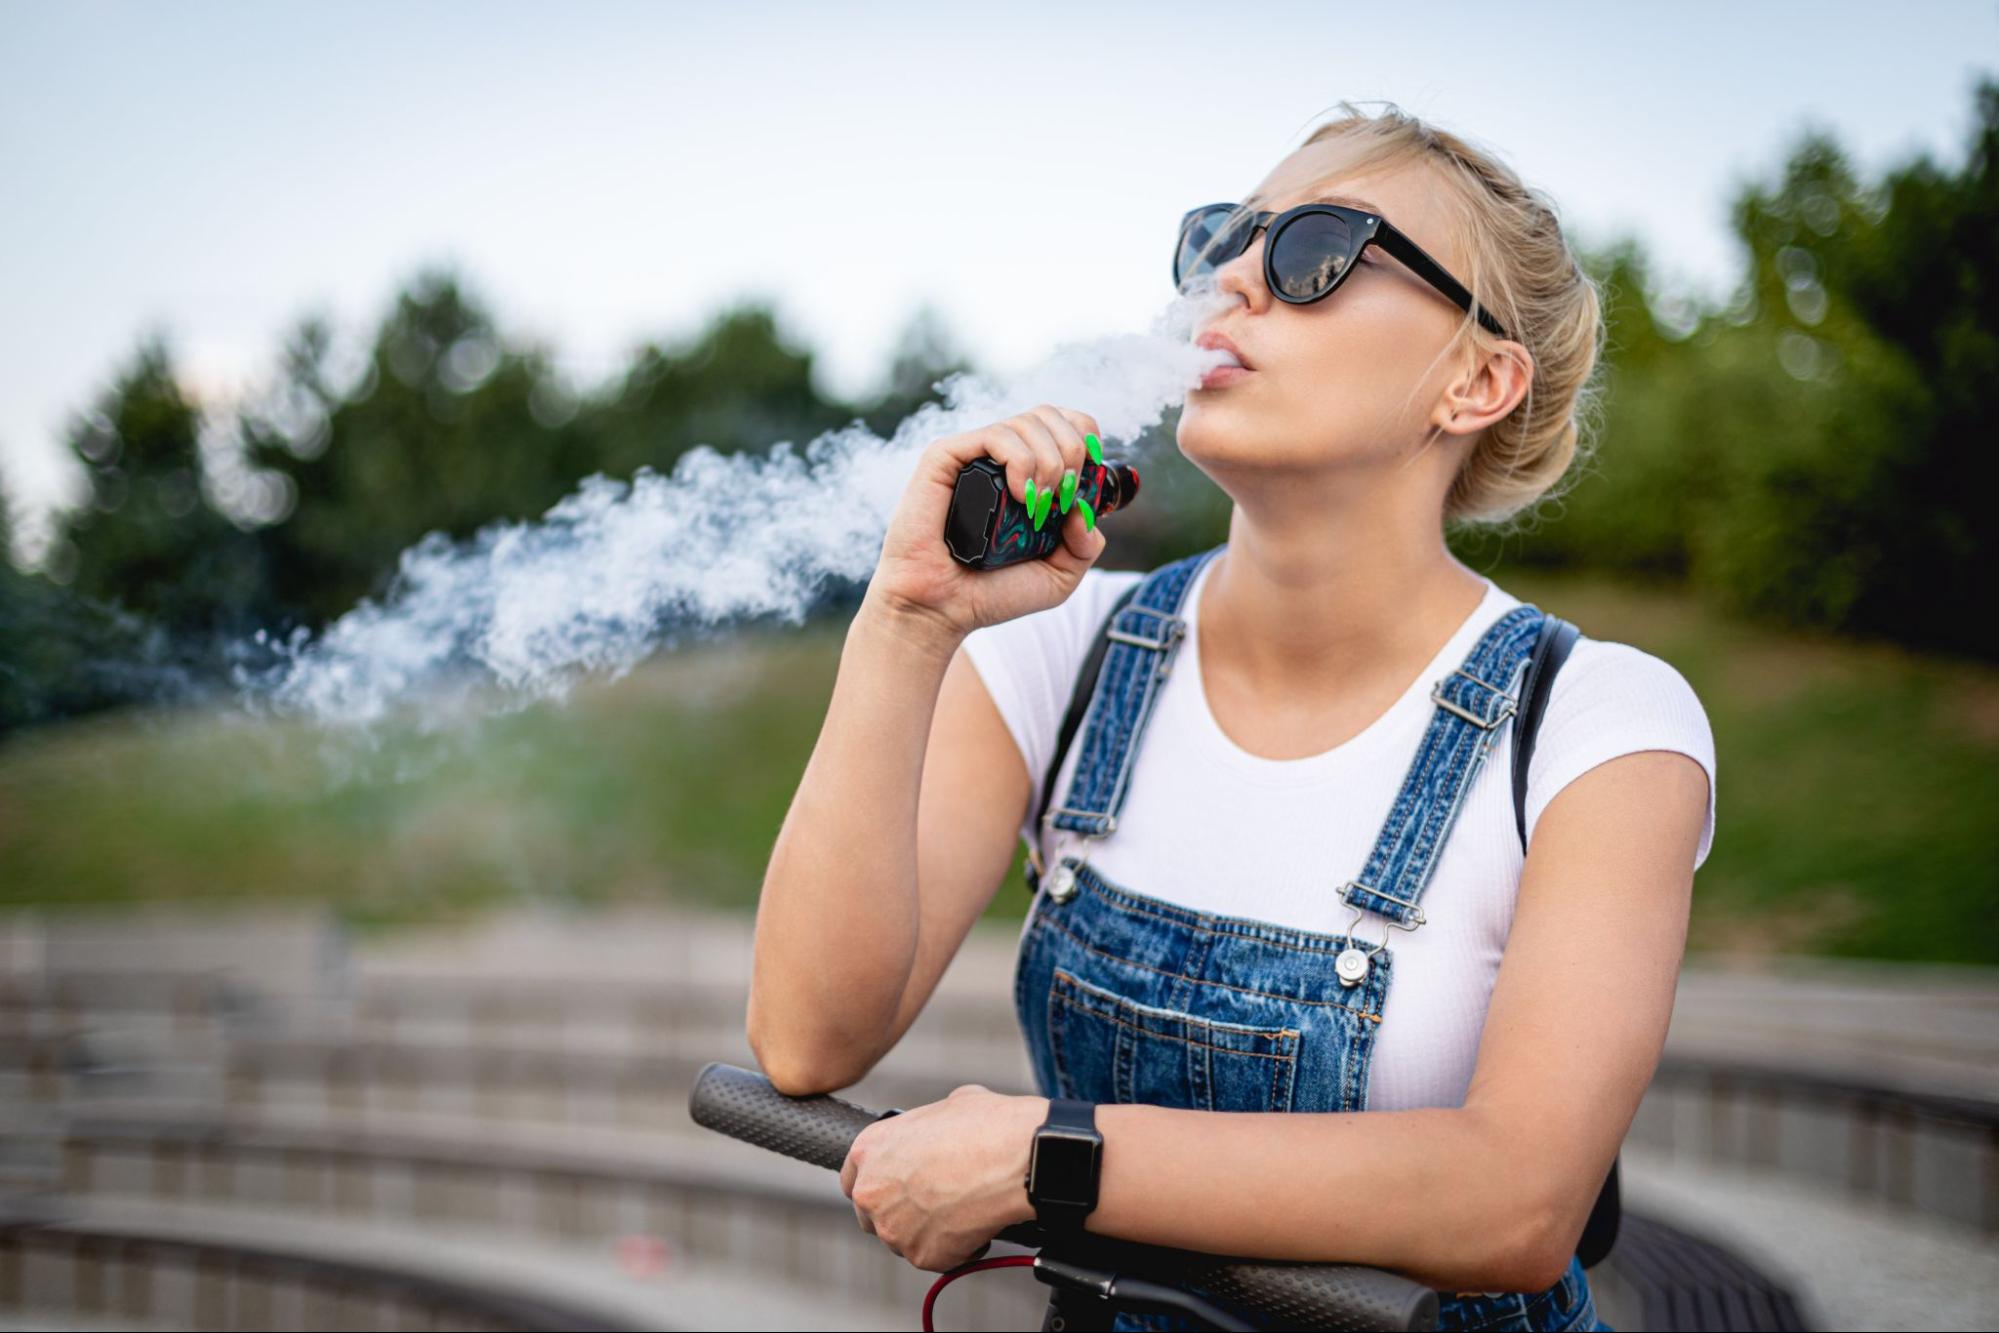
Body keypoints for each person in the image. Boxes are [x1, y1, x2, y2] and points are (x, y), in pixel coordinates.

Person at [747, 100, 1713, 1333]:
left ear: (1476, 380)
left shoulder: (1593, 724)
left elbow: (1515, 1204)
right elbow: (805, 1040)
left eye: (1314, 251)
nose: (1232, 284)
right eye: (1221, 239)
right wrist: (907, 620)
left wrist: (1050, 1153)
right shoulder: (1061, 646)